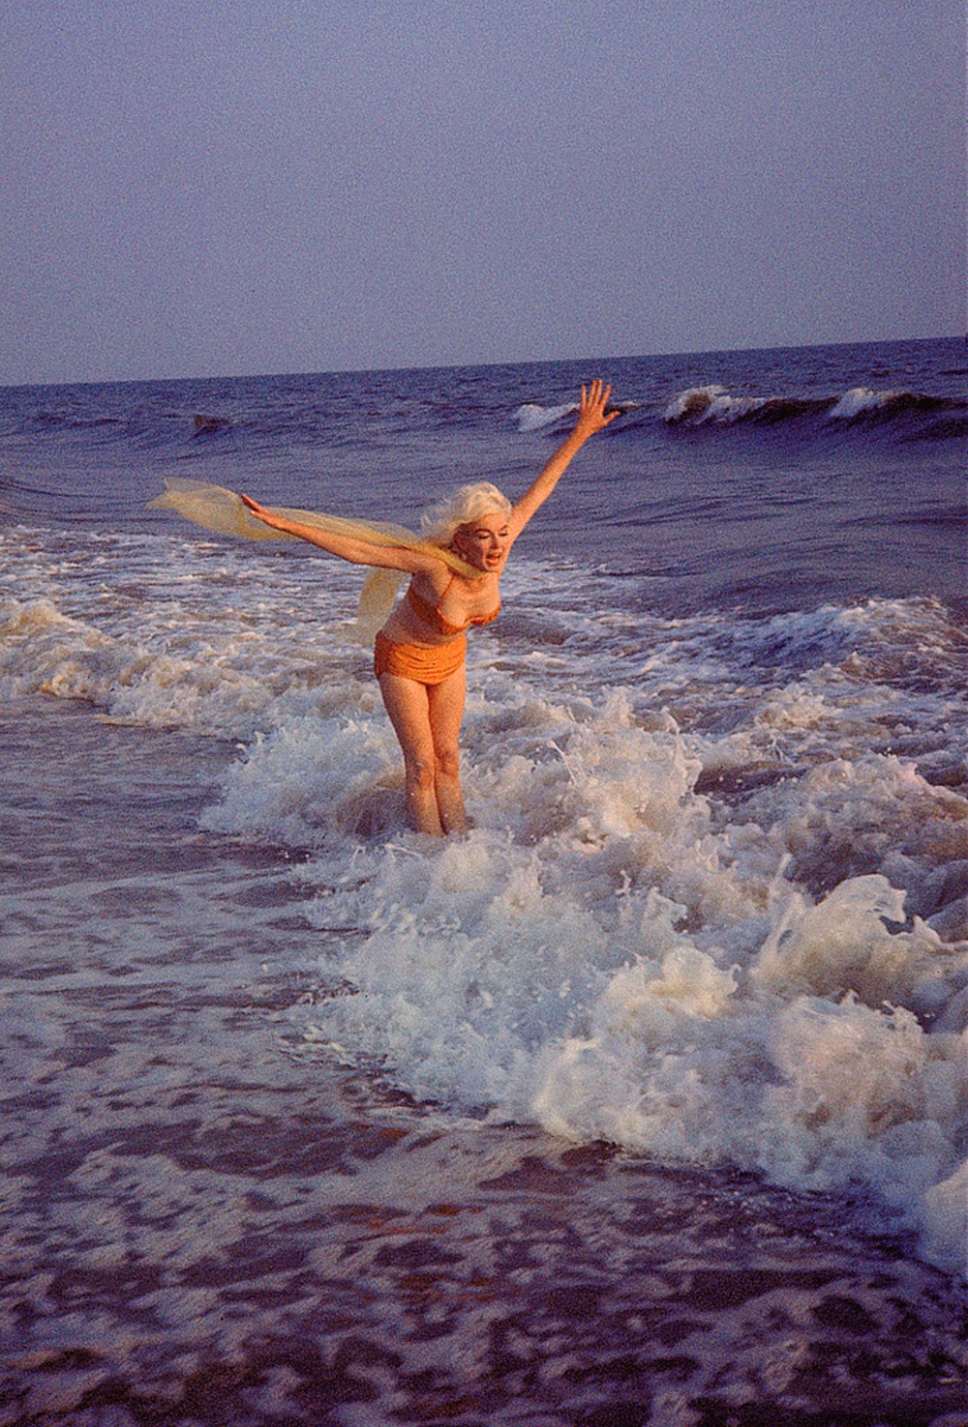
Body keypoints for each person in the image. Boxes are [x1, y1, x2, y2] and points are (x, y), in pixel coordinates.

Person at [239, 379, 618, 836]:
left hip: (449, 661)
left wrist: (580, 432)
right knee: (421, 765)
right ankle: (427, 855)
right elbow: (359, 550)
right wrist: (285, 524)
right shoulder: (433, 567)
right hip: (401, 660)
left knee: (449, 760)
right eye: (484, 536)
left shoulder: (502, 547)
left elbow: (542, 489)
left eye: (501, 533)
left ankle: (458, 846)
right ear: (461, 539)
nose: (498, 544)